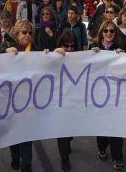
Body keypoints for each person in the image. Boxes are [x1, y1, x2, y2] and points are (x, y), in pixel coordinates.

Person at [0, 20, 37, 172]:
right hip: (10, 95)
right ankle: (15, 155)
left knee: (26, 131)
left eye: (30, 33)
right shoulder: (6, 45)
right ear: (17, 34)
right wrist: (4, 53)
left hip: (28, 96)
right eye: (24, 32)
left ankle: (26, 164)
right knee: (13, 129)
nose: (27, 35)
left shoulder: (33, 48)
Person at [88, 20, 125, 170]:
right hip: (100, 94)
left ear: (116, 33)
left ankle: (118, 157)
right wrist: (92, 55)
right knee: (102, 125)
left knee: (116, 127)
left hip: (116, 94)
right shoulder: (93, 47)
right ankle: (102, 147)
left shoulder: (121, 48)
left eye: (112, 31)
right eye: (106, 31)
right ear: (101, 32)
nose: (109, 33)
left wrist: (124, 56)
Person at [44, 30, 77, 171]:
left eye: (72, 46)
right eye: (66, 46)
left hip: (74, 101)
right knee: (62, 132)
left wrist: (95, 52)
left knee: (70, 132)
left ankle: (69, 140)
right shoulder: (55, 55)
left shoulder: (79, 57)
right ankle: (65, 159)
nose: (69, 49)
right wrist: (52, 55)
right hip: (58, 102)